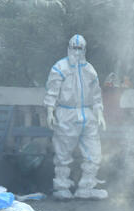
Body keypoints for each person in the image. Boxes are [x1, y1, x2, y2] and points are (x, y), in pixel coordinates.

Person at [43, 34, 108, 200]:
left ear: (85, 50)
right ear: (69, 48)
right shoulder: (60, 68)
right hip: (66, 113)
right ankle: (61, 186)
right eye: (74, 48)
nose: (77, 52)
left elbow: (96, 95)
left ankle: (86, 186)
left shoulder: (89, 70)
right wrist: (50, 111)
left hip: (87, 114)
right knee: (63, 152)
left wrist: (99, 113)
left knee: (93, 152)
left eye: (80, 48)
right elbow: (52, 92)